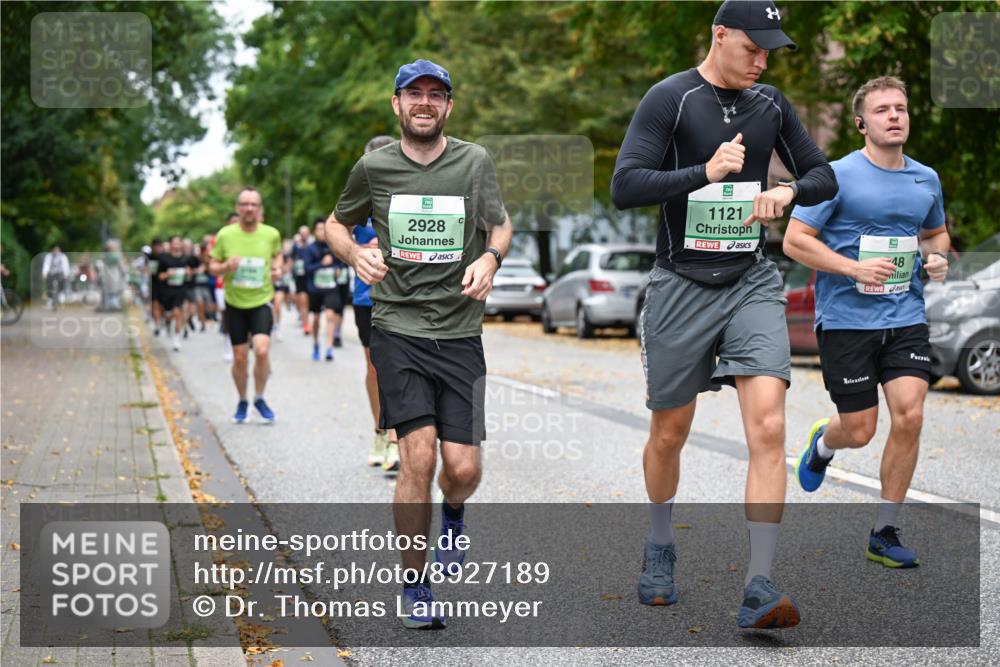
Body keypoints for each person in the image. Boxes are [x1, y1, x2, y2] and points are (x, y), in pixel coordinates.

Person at [610, 0, 838, 629]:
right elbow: (625, 185)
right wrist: (702, 173)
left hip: (751, 282)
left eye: (770, 50)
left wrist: (787, 191)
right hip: (680, 284)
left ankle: (759, 585)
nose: (762, 59)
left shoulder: (770, 105)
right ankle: (659, 545)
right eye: (752, 47)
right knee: (669, 433)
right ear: (720, 36)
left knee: (768, 429)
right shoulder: (671, 99)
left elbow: (824, 175)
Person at [325, 59, 512, 629]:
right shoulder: (373, 166)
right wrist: (355, 253)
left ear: (448, 106)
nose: (424, 103)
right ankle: (415, 585)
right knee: (419, 455)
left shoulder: (473, 161)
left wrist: (490, 256)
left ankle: (453, 514)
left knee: (462, 469)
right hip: (397, 329)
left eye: (436, 95)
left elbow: (500, 224)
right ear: (397, 104)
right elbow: (333, 223)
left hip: (460, 335)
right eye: (414, 95)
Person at [784, 76, 950, 569]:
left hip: (905, 315)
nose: (895, 116)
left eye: (900, 108)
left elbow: (937, 234)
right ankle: (824, 442)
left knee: (911, 414)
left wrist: (937, 259)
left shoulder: (926, 179)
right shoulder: (832, 176)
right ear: (861, 123)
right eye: (882, 110)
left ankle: (884, 530)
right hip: (846, 320)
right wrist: (853, 267)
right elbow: (795, 240)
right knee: (859, 429)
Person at [209, 189, 283, 424]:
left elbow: (277, 255)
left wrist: (277, 268)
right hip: (235, 303)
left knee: (261, 350)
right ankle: (242, 400)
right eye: (244, 204)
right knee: (240, 357)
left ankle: (259, 398)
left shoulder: (271, 234)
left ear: (259, 208)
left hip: (261, 300)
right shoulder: (226, 235)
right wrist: (225, 267)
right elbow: (212, 265)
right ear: (238, 207)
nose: (249, 208)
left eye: (254, 204)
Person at [353, 134, 400, 472]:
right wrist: (357, 253)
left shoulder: (410, 197)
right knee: (374, 368)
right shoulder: (356, 202)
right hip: (366, 298)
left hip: (403, 298)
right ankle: (380, 432)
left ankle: (399, 439)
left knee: (399, 367)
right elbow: (335, 235)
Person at [303, 219, 345, 361]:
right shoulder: (310, 249)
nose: (322, 232)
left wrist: (337, 269)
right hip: (315, 289)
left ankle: (329, 348)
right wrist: (321, 264)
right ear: (315, 231)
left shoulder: (333, 246)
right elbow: (306, 269)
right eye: (319, 229)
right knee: (316, 318)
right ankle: (315, 344)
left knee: (330, 315)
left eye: (324, 229)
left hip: (331, 287)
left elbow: (340, 264)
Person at [156, 236, 192, 351]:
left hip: (180, 290)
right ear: (170, 245)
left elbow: (190, 275)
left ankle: (176, 339)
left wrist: (188, 273)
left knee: (178, 313)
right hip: (167, 291)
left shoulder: (186, 259)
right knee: (168, 314)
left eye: (179, 243)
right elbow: (159, 276)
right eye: (174, 243)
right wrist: (168, 274)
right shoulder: (164, 259)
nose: (177, 245)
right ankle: (166, 321)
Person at [214, 214, 239, 361]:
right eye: (233, 223)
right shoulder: (222, 238)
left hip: (245, 287)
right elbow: (211, 263)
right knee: (227, 314)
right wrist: (225, 266)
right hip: (223, 286)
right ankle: (228, 345)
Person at [291, 225, 312, 334]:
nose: (303, 235)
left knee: (309, 302)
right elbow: (291, 259)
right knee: (303, 300)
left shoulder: (312, 245)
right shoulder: (296, 246)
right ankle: (306, 324)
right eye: (302, 233)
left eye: (305, 233)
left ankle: (309, 320)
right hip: (299, 277)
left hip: (311, 277)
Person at [271, 239, 292, 342]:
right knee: (270, 307)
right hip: (268, 285)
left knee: (277, 305)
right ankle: (272, 324)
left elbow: (288, 269)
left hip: (280, 284)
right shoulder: (266, 254)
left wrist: (280, 269)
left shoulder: (283, 256)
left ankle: (277, 326)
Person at [42, 244, 71, 309]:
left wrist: (66, 274)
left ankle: (61, 296)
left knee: (62, 282)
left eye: (57, 250)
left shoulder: (63, 257)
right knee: (49, 284)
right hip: (51, 273)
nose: (56, 251)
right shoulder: (49, 256)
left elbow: (65, 266)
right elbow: (46, 265)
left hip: (60, 273)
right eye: (55, 250)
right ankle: (50, 299)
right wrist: (44, 273)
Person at [147, 238, 165, 334]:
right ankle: (157, 324)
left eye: (159, 246)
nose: (157, 248)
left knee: (162, 305)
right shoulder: (148, 257)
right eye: (155, 247)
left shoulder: (164, 257)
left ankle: (162, 319)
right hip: (153, 284)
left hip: (163, 285)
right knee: (154, 304)